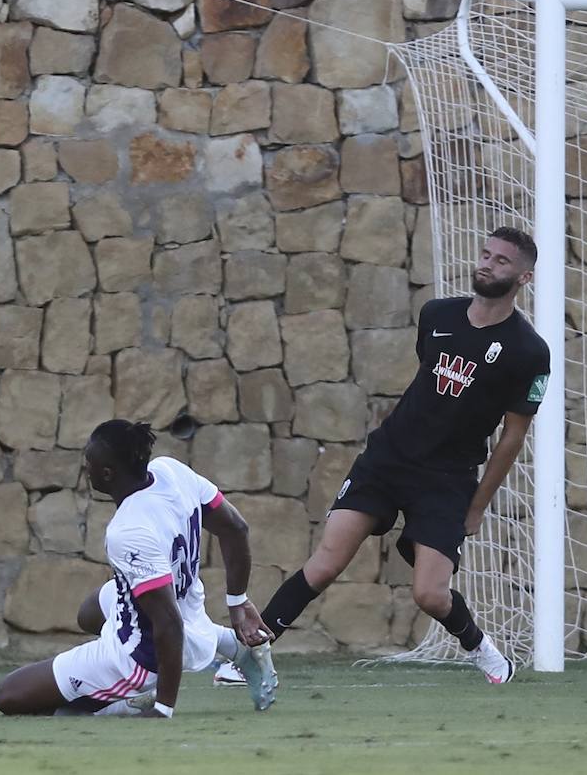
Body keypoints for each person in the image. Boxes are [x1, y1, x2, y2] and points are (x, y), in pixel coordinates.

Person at [216, 226, 550, 686]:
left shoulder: (530, 351)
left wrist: (477, 507)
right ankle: (250, 657)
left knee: (430, 595)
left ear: (523, 278)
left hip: (447, 478)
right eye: (486, 255)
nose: (488, 264)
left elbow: (512, 438)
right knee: (327, 561)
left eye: (501, 261)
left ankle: (482, 649)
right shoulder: (437, 315)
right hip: (388, 459)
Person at [0, 420, 279, 716]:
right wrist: (238, 601)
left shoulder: (128, 531)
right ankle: (234, 646)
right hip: (185, 611)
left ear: (107, 473)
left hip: (139, 657)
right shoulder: (171, 470)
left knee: (10, 695)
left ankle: (126, 699)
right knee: (89, 611)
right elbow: (236, 528)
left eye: (89, 462)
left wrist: (163, 707)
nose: (85, 468)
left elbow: (168, 623)